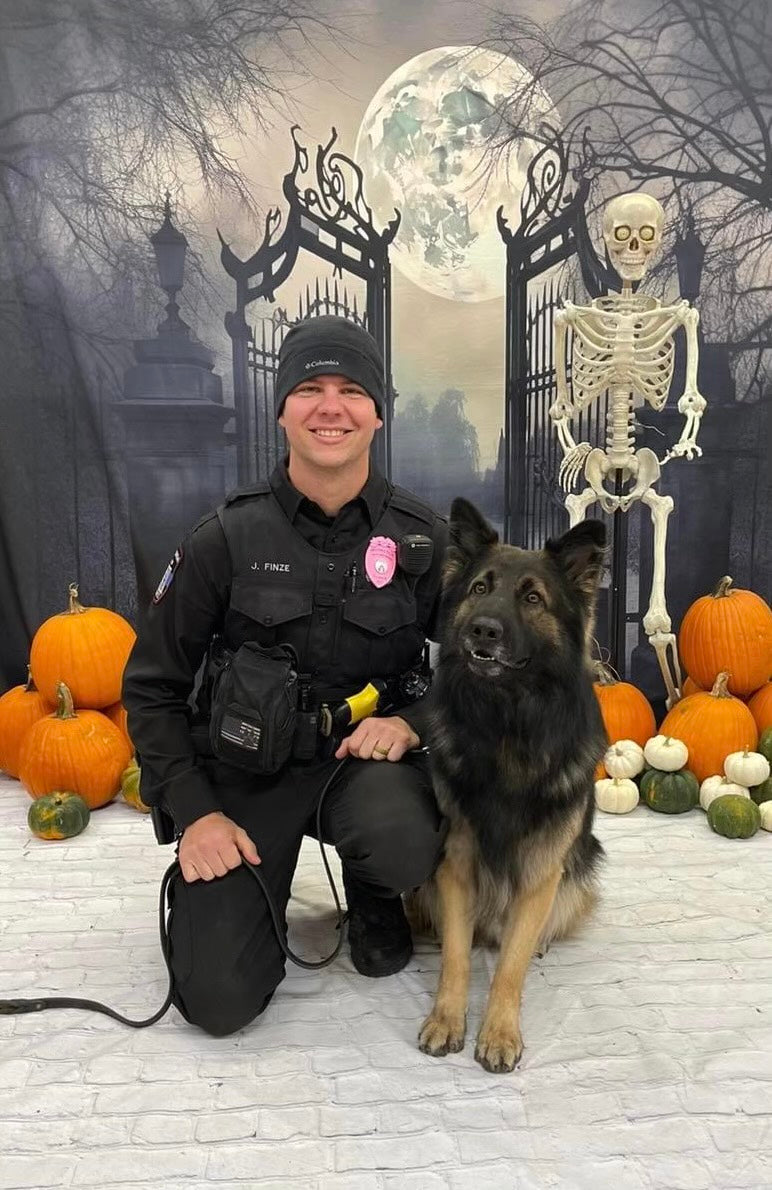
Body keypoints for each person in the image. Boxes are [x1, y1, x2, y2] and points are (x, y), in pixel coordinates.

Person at [122, 314, 448, 1037]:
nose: (331, 407)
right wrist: (198, 814)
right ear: (280, 411)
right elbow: (151, 686)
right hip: (244, 777)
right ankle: (242, 904)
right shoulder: (224, 539)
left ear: (377, 414)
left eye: (351, 390)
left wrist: (412, 724)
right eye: (309, 388)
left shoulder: (422, 539)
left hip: (358, 771)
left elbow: (484, 668)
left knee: (404, 839)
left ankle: (372, 890)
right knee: (216, 1001)